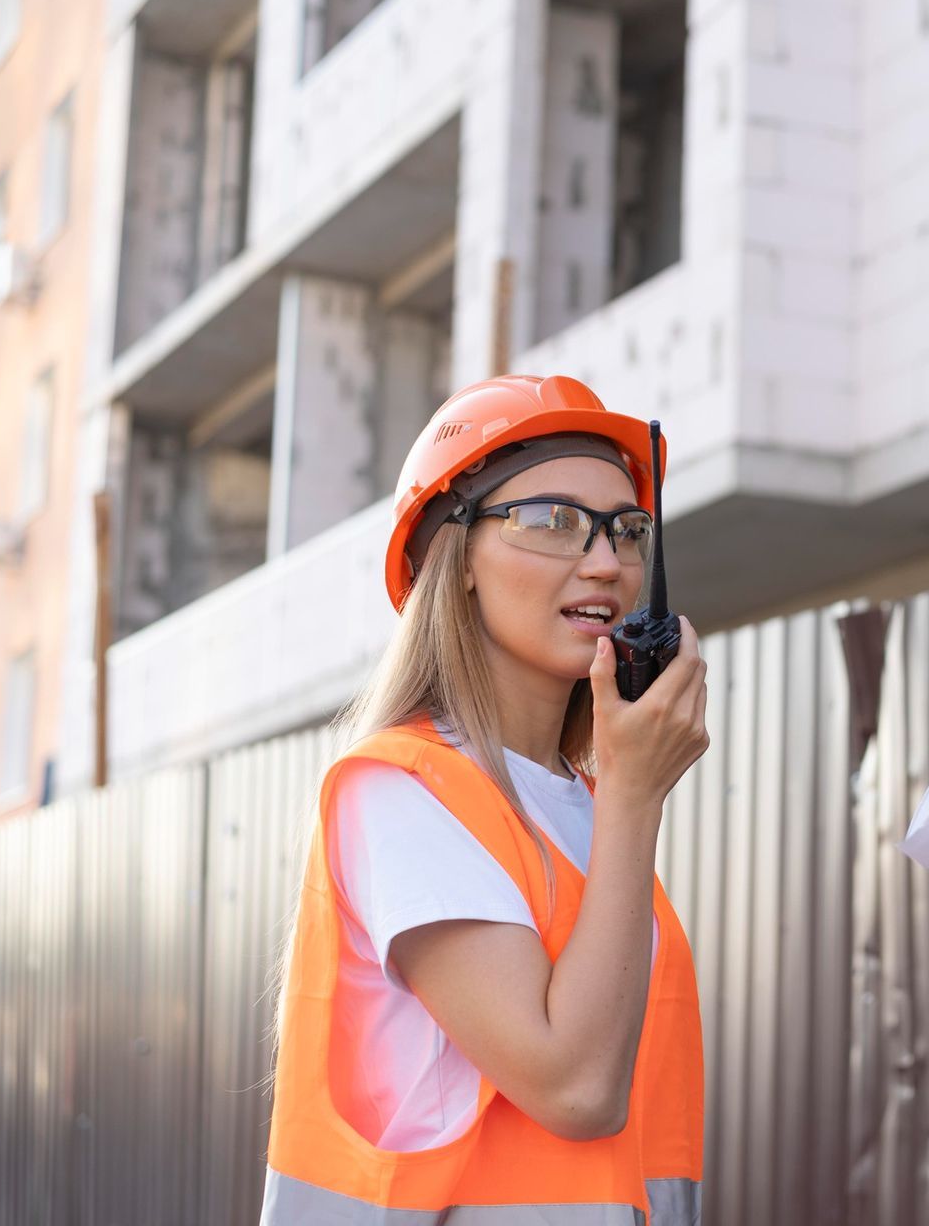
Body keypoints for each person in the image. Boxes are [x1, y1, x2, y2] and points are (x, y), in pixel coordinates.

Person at [261, 374, 709, 1224]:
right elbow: (576, 1088)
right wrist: (635, 797)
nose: (608, 561)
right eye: (552, 521)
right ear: (452, 559)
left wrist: (621, 793)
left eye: (628, 529)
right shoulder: (401, 790)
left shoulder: (586, 803)